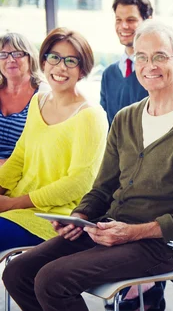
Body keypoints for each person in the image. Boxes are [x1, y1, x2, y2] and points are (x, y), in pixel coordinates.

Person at [3, 20, 173, 311]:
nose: (149, 65)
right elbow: (102, 187)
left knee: (52, 280)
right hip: (107, 230)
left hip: (162, 244)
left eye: (160, 56)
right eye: (141, 57)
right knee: (17, 272)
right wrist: (79, 216)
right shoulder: (126, 118)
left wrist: (133, 232)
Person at [0, 27, 107, 251]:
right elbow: (19, 156)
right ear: (44, 61)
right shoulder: (38, 101)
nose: (60, 67)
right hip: (15, 205)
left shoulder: (91, 116)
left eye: (70, 61)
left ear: (83, 69)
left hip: (53, 218)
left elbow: (79, 182)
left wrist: (12, 203)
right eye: (54, 57)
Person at [100, 0, 173, 125]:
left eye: (131, 20)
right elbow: (106, 124)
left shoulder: (161, 73)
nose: (124, 26)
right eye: (118, 20)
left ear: (148, 21)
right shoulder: (108, 74)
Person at [0, 32, 46, 165]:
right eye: (3, 55)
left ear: (30, 58)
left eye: (17, 54)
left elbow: (44, 149)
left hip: (23, 170)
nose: (10, 60)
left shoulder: (44, 94)